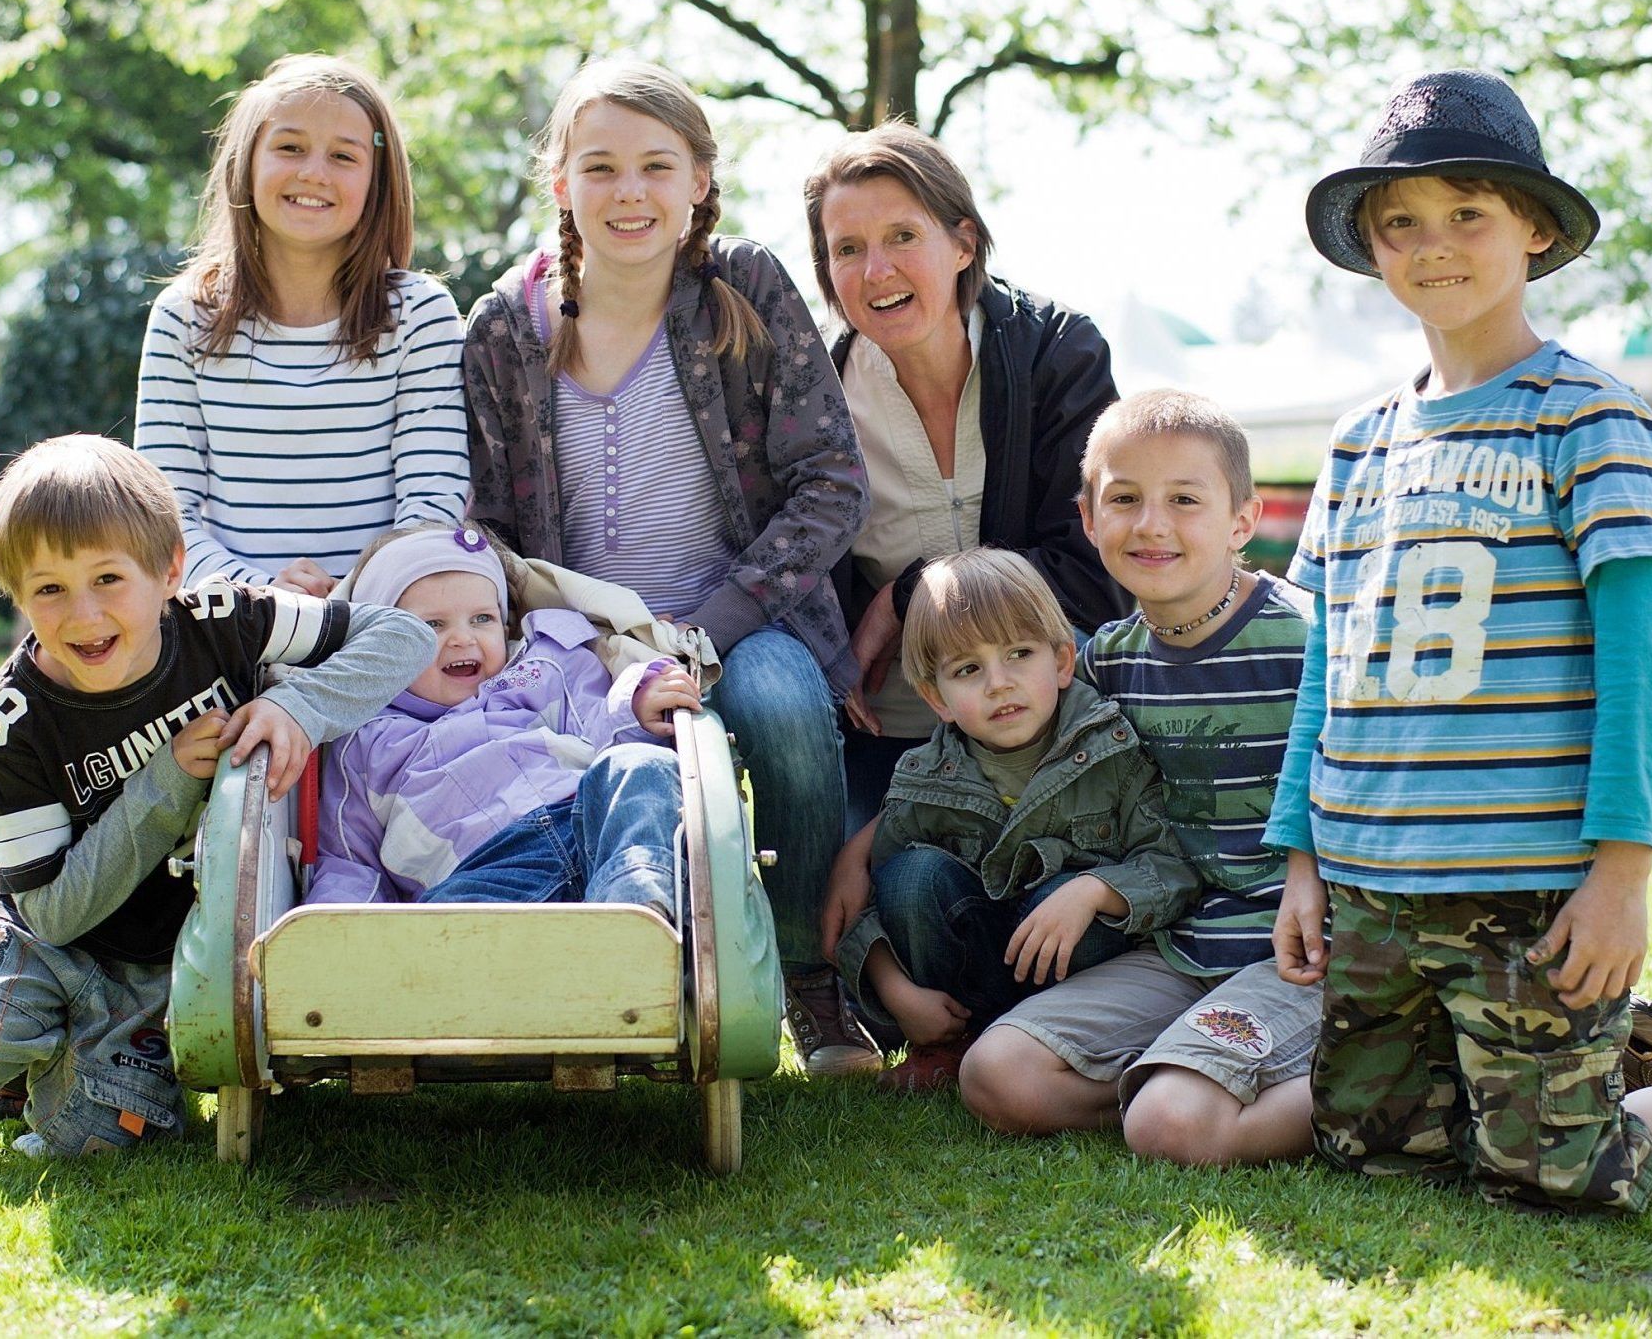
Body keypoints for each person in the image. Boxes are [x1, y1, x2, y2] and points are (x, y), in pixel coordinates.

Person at [1267, 68, 1652, 1211]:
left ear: (1536, 228)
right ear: (1370, 249)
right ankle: (1575, 1066)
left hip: (1521, 885)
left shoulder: (1589, 417)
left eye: (1468, 212)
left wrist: (1619, 877)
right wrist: (1301, 859)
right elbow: (1325, 666)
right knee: (1368, 1156)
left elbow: (1643, 662)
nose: (1434, 244)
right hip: (1369, 883)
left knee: (1553, 1179)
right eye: (1399, 222)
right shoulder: (1358, 443)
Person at [462, 61, 874, 1075]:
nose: (629, 192)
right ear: (558, 182)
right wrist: (589, 642)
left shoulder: (742, 289)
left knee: (781, 714)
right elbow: (490, 522)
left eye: (656, 166)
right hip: (574, 637)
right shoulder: (507, 329)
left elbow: (831, 479)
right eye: (599, 167)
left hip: (738, 620)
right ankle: (570, 980)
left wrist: (712, 629)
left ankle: (805, 979)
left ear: (698, 179)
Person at [0, 435, 433, 1157]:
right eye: (48, 589)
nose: (83, 614)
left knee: (91, 1140)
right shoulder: (11, 721)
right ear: (17, 596)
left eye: (107, 578)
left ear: (170, 571)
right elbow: (52, 910)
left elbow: (405, 636)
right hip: (43, 938)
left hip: (157, 969)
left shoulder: (222, 620)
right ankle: (24, 1050)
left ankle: (56, 1068)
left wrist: (299, 709)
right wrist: (168, 779)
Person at [957, 391, 1323, 1164]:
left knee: (1170, 1129)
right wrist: (864, 851)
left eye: (1184, 500)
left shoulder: (1309, 641)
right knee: (998, 1074)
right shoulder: (1108, 662)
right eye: (1125, 499)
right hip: (1183, 947)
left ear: (1242, 520)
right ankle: (1188, 1070)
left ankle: (1405, 1077)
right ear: (1089, 519)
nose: (1151, 524)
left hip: (1303, 952)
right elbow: (994, 751)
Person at [802, 123, 1127, 829]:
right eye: (848, 250)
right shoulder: (813, 391)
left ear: (963, 244)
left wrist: (911, 591)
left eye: (902, 237)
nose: (875, 271)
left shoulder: (1057, 354)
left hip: (1050, 729)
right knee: (899, 903)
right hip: (889, 738)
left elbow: (1092, 570)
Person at [829, 548, 1198, 1092]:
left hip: (1069, 972)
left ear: (1063, 661)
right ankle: (949, 1044)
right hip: (969, 965)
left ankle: (1054, 1040)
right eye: (968, 669)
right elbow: (866, 904)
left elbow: (1172, 864)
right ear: (938, 698)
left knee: (1077, 891)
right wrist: (897, 992)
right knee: (912, 876)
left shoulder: (1113, 750)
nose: (999, 683)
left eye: (1019, 653)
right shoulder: (927, 778)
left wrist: (1097, 891)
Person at [134, 53, 469, 596]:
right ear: (246, 162)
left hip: (379, 616)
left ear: (376, 182)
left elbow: (433, 500)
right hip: (229, 626)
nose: (314, 172)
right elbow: (163, 514)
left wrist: (351, 592)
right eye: (289, 148)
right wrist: (263, 596)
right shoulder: (183, 318)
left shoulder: (419, 314)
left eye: (344, 156)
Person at [310, 522, 701, 911]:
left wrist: (632, 707)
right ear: (380, 647)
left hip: (586, 829)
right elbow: (350, 860)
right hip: (481, 876)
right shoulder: (365, 739)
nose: (464, 639)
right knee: (435, 924)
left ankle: (636, 912)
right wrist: (331, 925)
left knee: (644, 766)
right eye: (431, 625)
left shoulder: (543, 667)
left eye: (482, 618)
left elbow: (599, 731)